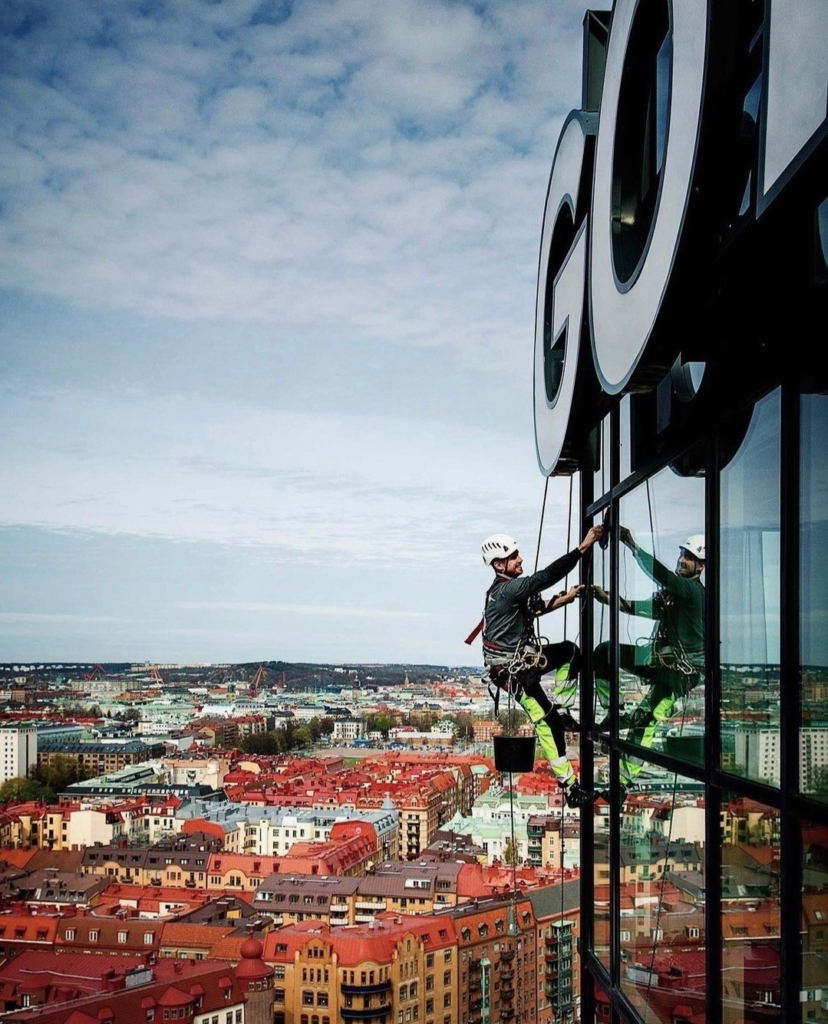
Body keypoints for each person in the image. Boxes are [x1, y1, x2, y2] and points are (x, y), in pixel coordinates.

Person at [481, 525, 604, 808]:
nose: (520, 559)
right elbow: (546, 577)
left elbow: (536, 607)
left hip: (523, 661)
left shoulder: (506, 591)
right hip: (513, 673)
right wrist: (582, 548)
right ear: (500, 565)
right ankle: (570, 787)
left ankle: (561, 708)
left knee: (571, 652)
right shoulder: (509, 589)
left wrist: (567, 598)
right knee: (547, 724)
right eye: (514, 557)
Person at [593, 528, 705, 789]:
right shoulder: (675, 595)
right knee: (604, 652)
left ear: (700, 566)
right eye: (681, 554)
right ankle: (613, 711)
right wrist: (606, 598)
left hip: (680, 674)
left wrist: (632, 544)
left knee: (646, 721)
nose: (681, 560)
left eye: (687, 557)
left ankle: (622, 782)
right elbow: (640, 609)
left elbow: (660, 574)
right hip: (660, 662)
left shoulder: (691, 591)